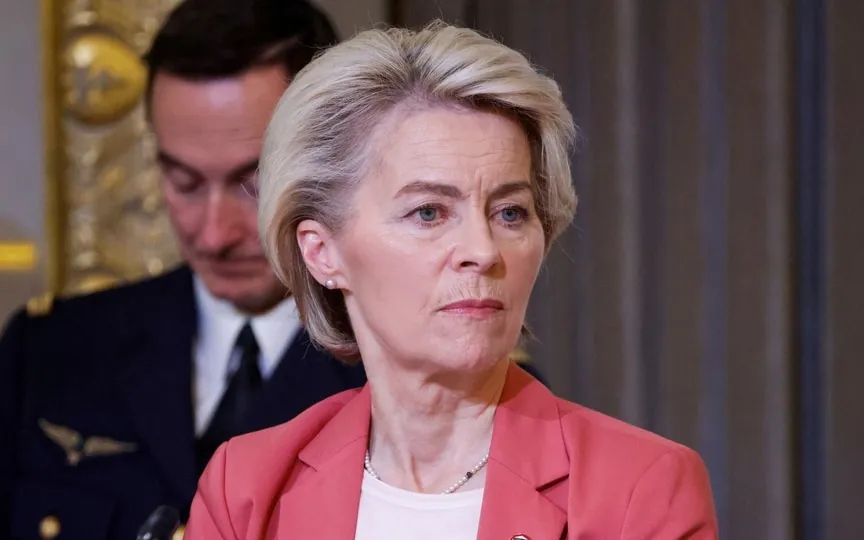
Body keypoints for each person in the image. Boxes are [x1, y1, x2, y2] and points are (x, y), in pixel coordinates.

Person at [185, 21, 719, 540]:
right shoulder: (247, 489)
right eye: (428, 213)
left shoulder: (639, 489)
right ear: (323, 253)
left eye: (510, 213)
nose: (483, 252)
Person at [0, 1, 369, 539]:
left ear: (333, 160)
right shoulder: (50, 354)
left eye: (253, 183)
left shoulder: (421, 376)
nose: (215, 234)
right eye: (186, 183)